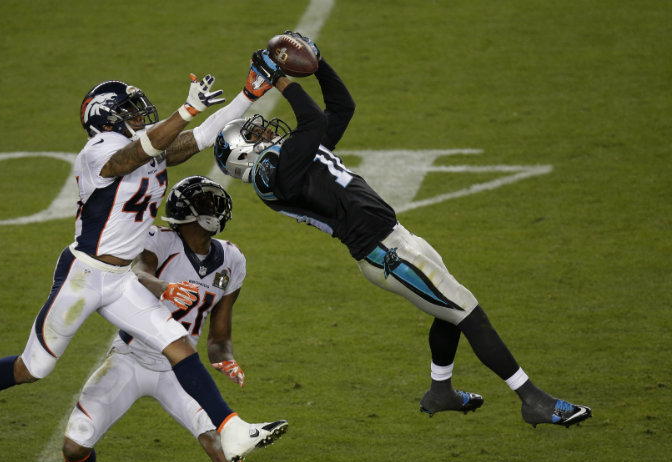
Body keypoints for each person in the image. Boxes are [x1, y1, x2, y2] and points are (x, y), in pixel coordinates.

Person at [214, 32, 591, 428]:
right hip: (384, 253)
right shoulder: (271, 176)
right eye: (254, 134)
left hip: (395, 238)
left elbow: (341, 108)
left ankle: (440, 392)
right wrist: (280, 78)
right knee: (469, 313)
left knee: (449, 311)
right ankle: (532, 400)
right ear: (242, 154)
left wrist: (319, 65)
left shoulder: (290, 155)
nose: (266, 131)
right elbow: (309, 122)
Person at [0, 64, 288, 462]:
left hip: (122, 279)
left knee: (178, 345)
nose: (139, 115)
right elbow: (128, 159)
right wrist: (184, 112)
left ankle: (233, 428)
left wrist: (249, 94)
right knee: (33, 369)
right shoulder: (98, 151)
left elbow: (204, 137)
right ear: (106, 114)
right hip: (84, 275)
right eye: (129, 108)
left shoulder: (147, 143)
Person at [49, 176, 269, 462]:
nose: (216, 208)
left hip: (180, 370)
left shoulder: (232, 260)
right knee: (73, 447)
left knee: (222, 445)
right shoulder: (159, 240)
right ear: (189, 214)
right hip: (130, 358)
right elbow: (137, 270)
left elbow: (219, 335)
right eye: (205, 202)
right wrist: (163, 288)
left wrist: (225, 358)